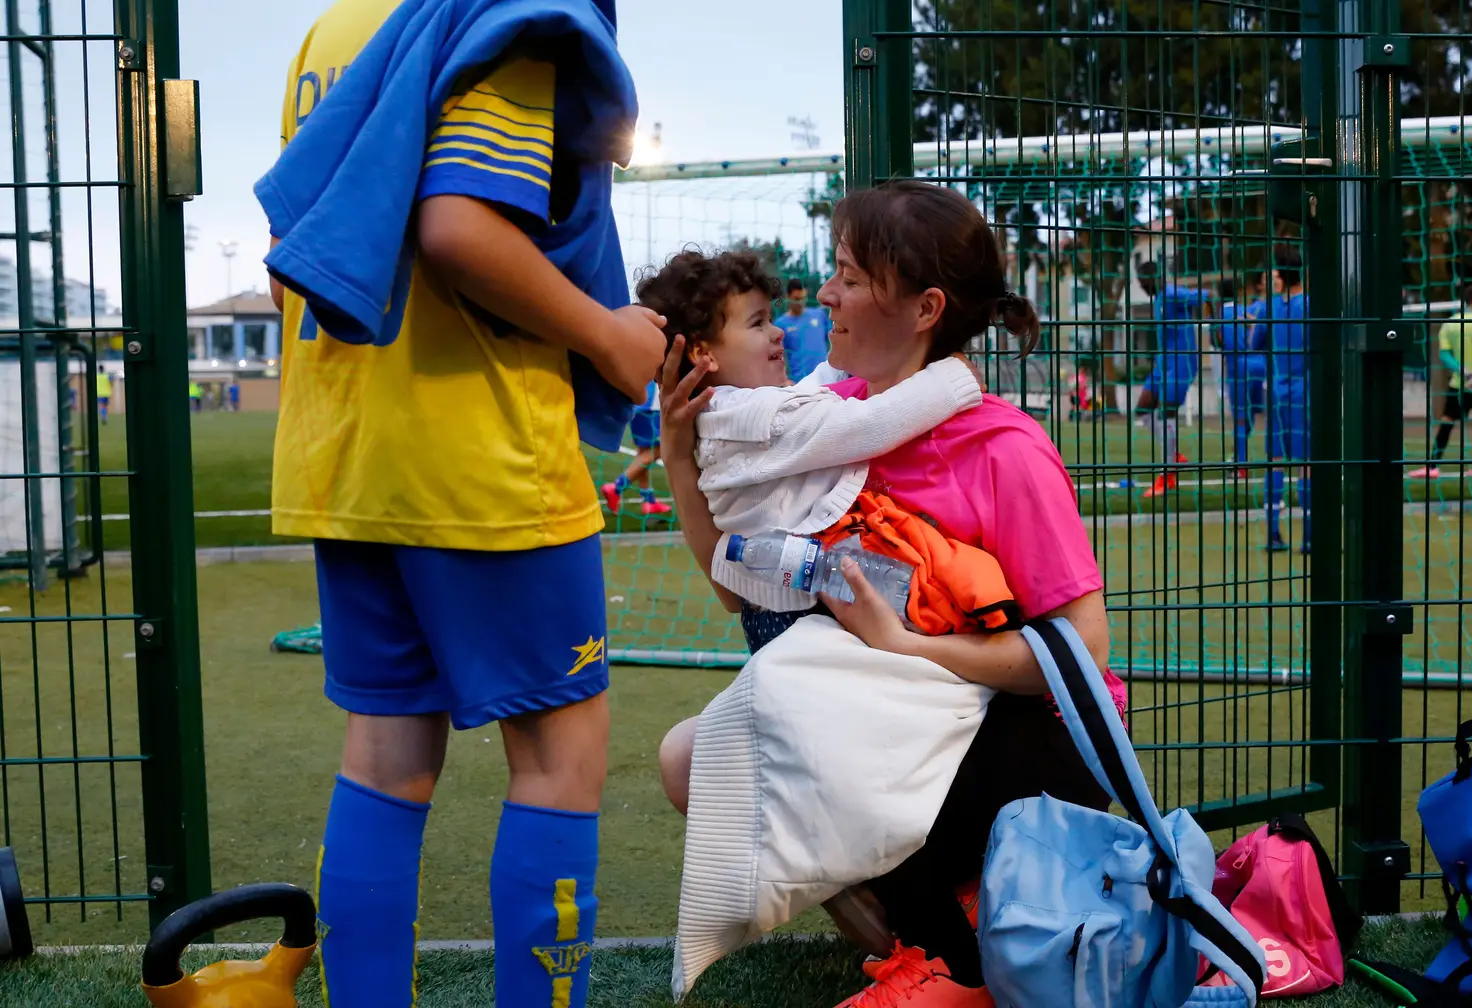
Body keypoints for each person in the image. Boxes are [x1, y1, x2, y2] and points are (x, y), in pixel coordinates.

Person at [260, 3, 666, 1006]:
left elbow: (304, 242)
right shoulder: (508, 12)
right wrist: (611, 341)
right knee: (560, 760)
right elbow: (457, 226)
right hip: (482, 456)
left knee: (387, 757)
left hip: (347, 452)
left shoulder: (333, 29)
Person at [659, 180, 1116, 1008]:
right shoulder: (828, 421)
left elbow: (1084, 652)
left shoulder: (1003, 448)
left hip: (1024, 748)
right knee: (696, 755)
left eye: (850, 275)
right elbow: (739, 590)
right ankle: (916, 951)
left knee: (819, 710)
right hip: (894, 721)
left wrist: (905, 646)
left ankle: (960, 951)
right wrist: (679, 452)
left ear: (923, 307)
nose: (825, 294)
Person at [637, 247, 989, 652]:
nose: (777, 332)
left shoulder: (730, 412)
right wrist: (952, 380)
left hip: (775, 608)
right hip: (800, 615)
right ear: (704, 354)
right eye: (757, 324)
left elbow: (810, 392)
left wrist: (851, 358)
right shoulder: (754, 420)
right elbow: (863, 426)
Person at [1134, 258, 1210, 497]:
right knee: (1143, 410)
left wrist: (1216, 326)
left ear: (1156, 278)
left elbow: (1208, 295)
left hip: (1181, 364)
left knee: (1166, 413)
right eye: (1140, 282)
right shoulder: (1158, 300)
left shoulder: (1174, 293)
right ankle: (1174, 456)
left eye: (1144, 281)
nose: (1143, 286)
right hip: (1162, 364)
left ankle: (1167, 474)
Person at [1413, 283, 1472, 479]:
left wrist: (1463, 371)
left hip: (1460, 383)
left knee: (1447, 423)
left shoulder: (1451, 322)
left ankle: (1432, 466)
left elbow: (1444, 354)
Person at [1260, 245, 1311, 553]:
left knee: (1276, 463)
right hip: (1305, 393)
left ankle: (1274, 535)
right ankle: (1309, 537)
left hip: (1276, 394)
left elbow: (1255, 342)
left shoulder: (1269, 308)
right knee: (1307, 465)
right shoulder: (1312, 304)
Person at [599, 382, 673, 517]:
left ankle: (649, 501)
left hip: (637, 402)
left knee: (643, 452)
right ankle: (616, 487)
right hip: (651, 405)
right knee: (659, 449)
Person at [1219, 274, 1266, 476]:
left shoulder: (1221, 313)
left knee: (1239, 417)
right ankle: (1239, 455)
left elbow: (1219, 340)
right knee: (1253, 415)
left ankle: (1240, 464)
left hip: (1238, 367)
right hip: (1260, 364)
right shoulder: (1247, 310)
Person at [774, 276, 832, 382]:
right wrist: (785, 380)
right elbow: (777, 356)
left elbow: (831, 342)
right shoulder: (780, 324)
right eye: (797, 299)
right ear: (788, 297)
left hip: (826, 379)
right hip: (799, 382)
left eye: (803, 298)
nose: (801, 302)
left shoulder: (819, 315)